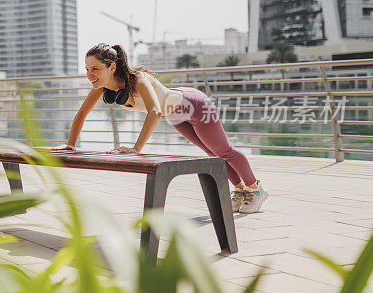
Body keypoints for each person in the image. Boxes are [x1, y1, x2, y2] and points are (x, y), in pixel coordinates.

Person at [53, 43, 269, 213]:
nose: (89, 74)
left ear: (112, 67)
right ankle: (240, 190)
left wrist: (136, 148)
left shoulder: (138, 80)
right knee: (211, 152)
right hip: (176, 115)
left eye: (95, 69)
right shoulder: (102, 87)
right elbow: (82, 113)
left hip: (196, 105)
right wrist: (70, 144)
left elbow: (155, 111)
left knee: (223, 151)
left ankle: (256, 188)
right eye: (87, 69)